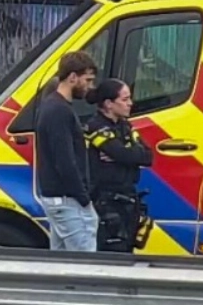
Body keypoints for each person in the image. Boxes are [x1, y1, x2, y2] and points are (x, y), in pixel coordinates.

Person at [33, 50, 98, 252]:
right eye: (87, 80)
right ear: (72, 77)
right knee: (84, 263)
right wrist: (83, 198)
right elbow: (65, 161)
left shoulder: (52, 106)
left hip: (60, 198)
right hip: (68, 200)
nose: (90, 86)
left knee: (62, 263)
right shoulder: (59, 111)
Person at [83, 79, 154, 252]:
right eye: (125, 99)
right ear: (108, 104)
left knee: (128, 250)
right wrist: (126, 153)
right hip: (105, 200)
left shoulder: (125, 126)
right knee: (112, 252)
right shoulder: (95, 126)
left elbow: (147, 156)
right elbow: (122, 154)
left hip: (128, 199)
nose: (130, 103)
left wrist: (125, 154)